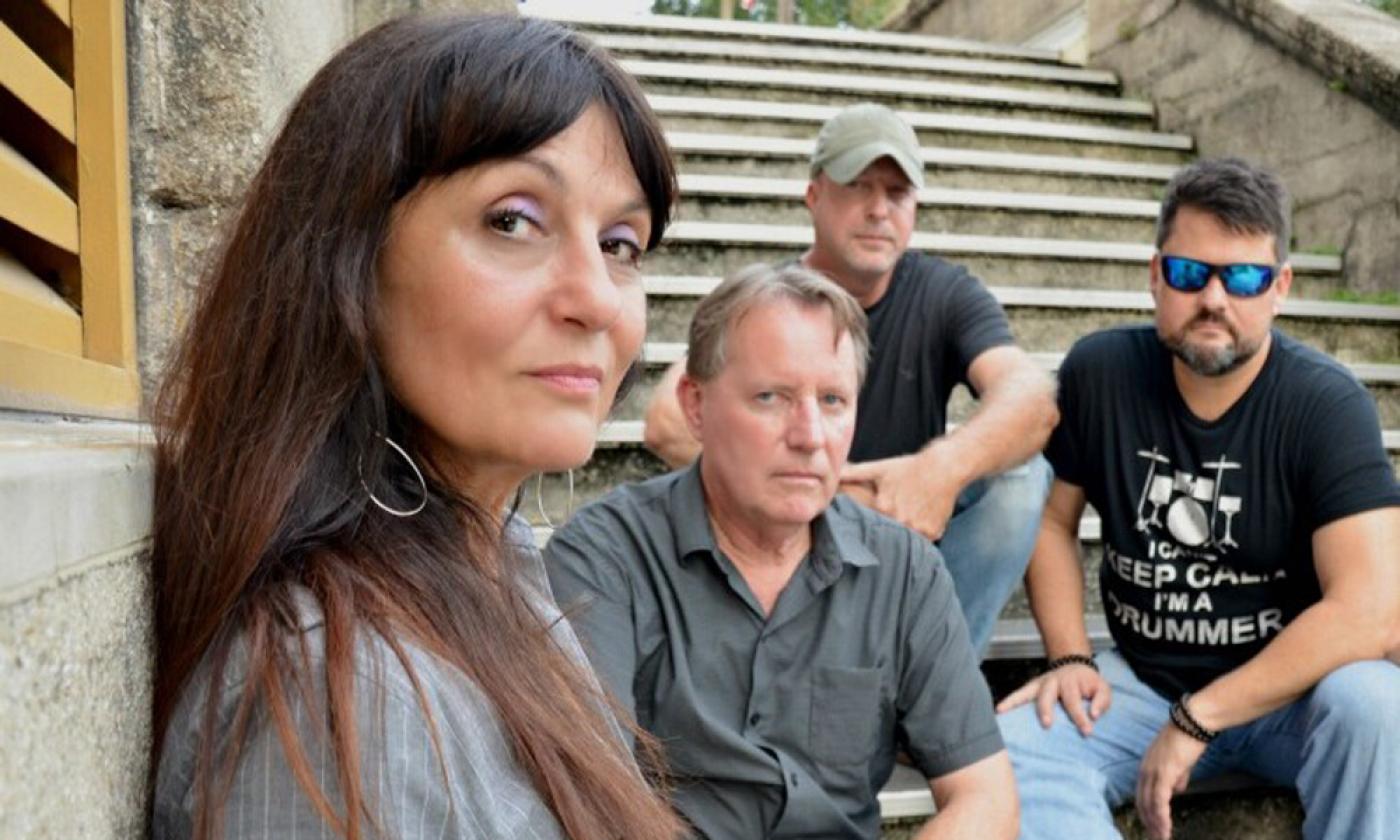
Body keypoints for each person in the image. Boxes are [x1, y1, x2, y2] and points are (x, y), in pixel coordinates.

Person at [150, 15, 685, 840]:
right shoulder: (343, 693)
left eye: (621, 243)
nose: (598, 299)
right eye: (513, 220)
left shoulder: (493, 555)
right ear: (348, 259)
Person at [996, 158, 1400, 840]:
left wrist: (1201, 716)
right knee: (1011, 750)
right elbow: (1051, 520)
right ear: (1156, 275)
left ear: (1280, 288)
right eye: (1190, 273)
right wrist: (1068, 657)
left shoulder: (1327, 405)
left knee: (1379, 707)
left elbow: (1369, 612)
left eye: (1243, 278)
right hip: (1144, 686)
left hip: (1295, 697)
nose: (1214, 298)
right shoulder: (1101, 373)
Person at [547, 264, 1019, 840]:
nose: (810, 435)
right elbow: (589, 799)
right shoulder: (604, 558)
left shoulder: (905, 571)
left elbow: (986, 797)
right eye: (771, 397)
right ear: (695, 406)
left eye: (833, 400)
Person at [643, 102, 1058, 654]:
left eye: (897, 193)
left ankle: (936, 670)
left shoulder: (946, 293)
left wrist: (940, 470)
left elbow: (1032, 398)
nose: (878, 210)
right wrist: (829, 495)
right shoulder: (766, 300)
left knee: (1022, 478)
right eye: (858, 185)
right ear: (814, 195)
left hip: (908, 534)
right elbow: (667, 420)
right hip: (785, 538)